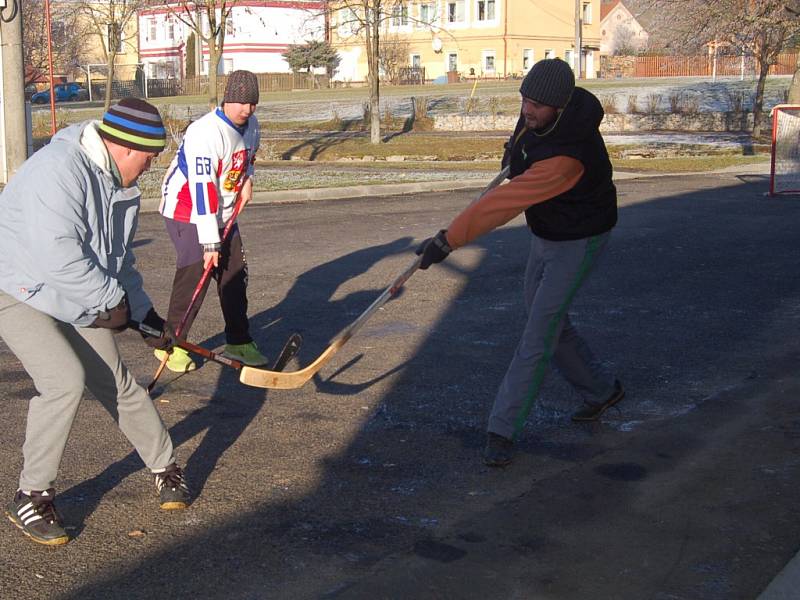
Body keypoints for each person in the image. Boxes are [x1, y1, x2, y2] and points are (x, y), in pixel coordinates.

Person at [0, 98, 191, 546]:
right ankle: (31, 495)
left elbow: (119, 260)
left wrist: (143, 313)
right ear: (126, 147)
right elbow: (57, 256)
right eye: (149, 158)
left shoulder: (118, 184)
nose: (149, 168)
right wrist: (110, 303)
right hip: (16, 286)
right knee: (64, 380)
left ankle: (165, 468)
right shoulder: (58, 170)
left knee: (115, 380)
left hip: (72, 289)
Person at [416, 58, 624, 467]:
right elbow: (521, 147)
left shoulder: (568, 155)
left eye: (538, 104)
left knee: (538, 334)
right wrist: (512, 153)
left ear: (560, 107)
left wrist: (447, 241)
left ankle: (502, 429)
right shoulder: (538, 114)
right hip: (547, 231)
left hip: (579, 238)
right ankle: (601, 391)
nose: (528, 110)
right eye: (524, 99)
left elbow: (503, 203)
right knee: (544, 317)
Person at [157, 70, 266, 373]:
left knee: (234, 273)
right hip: (189, 209)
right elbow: (203, 189)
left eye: (253, 103)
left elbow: (248, 158)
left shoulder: (252, 125)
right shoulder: (206, 132)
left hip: (225, 209)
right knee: (197, 272)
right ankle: (171, 345)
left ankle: (239, 340)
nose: (247, 109)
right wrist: (209, 242)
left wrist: (248, 180)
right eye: (241, 103)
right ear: (227, 99)